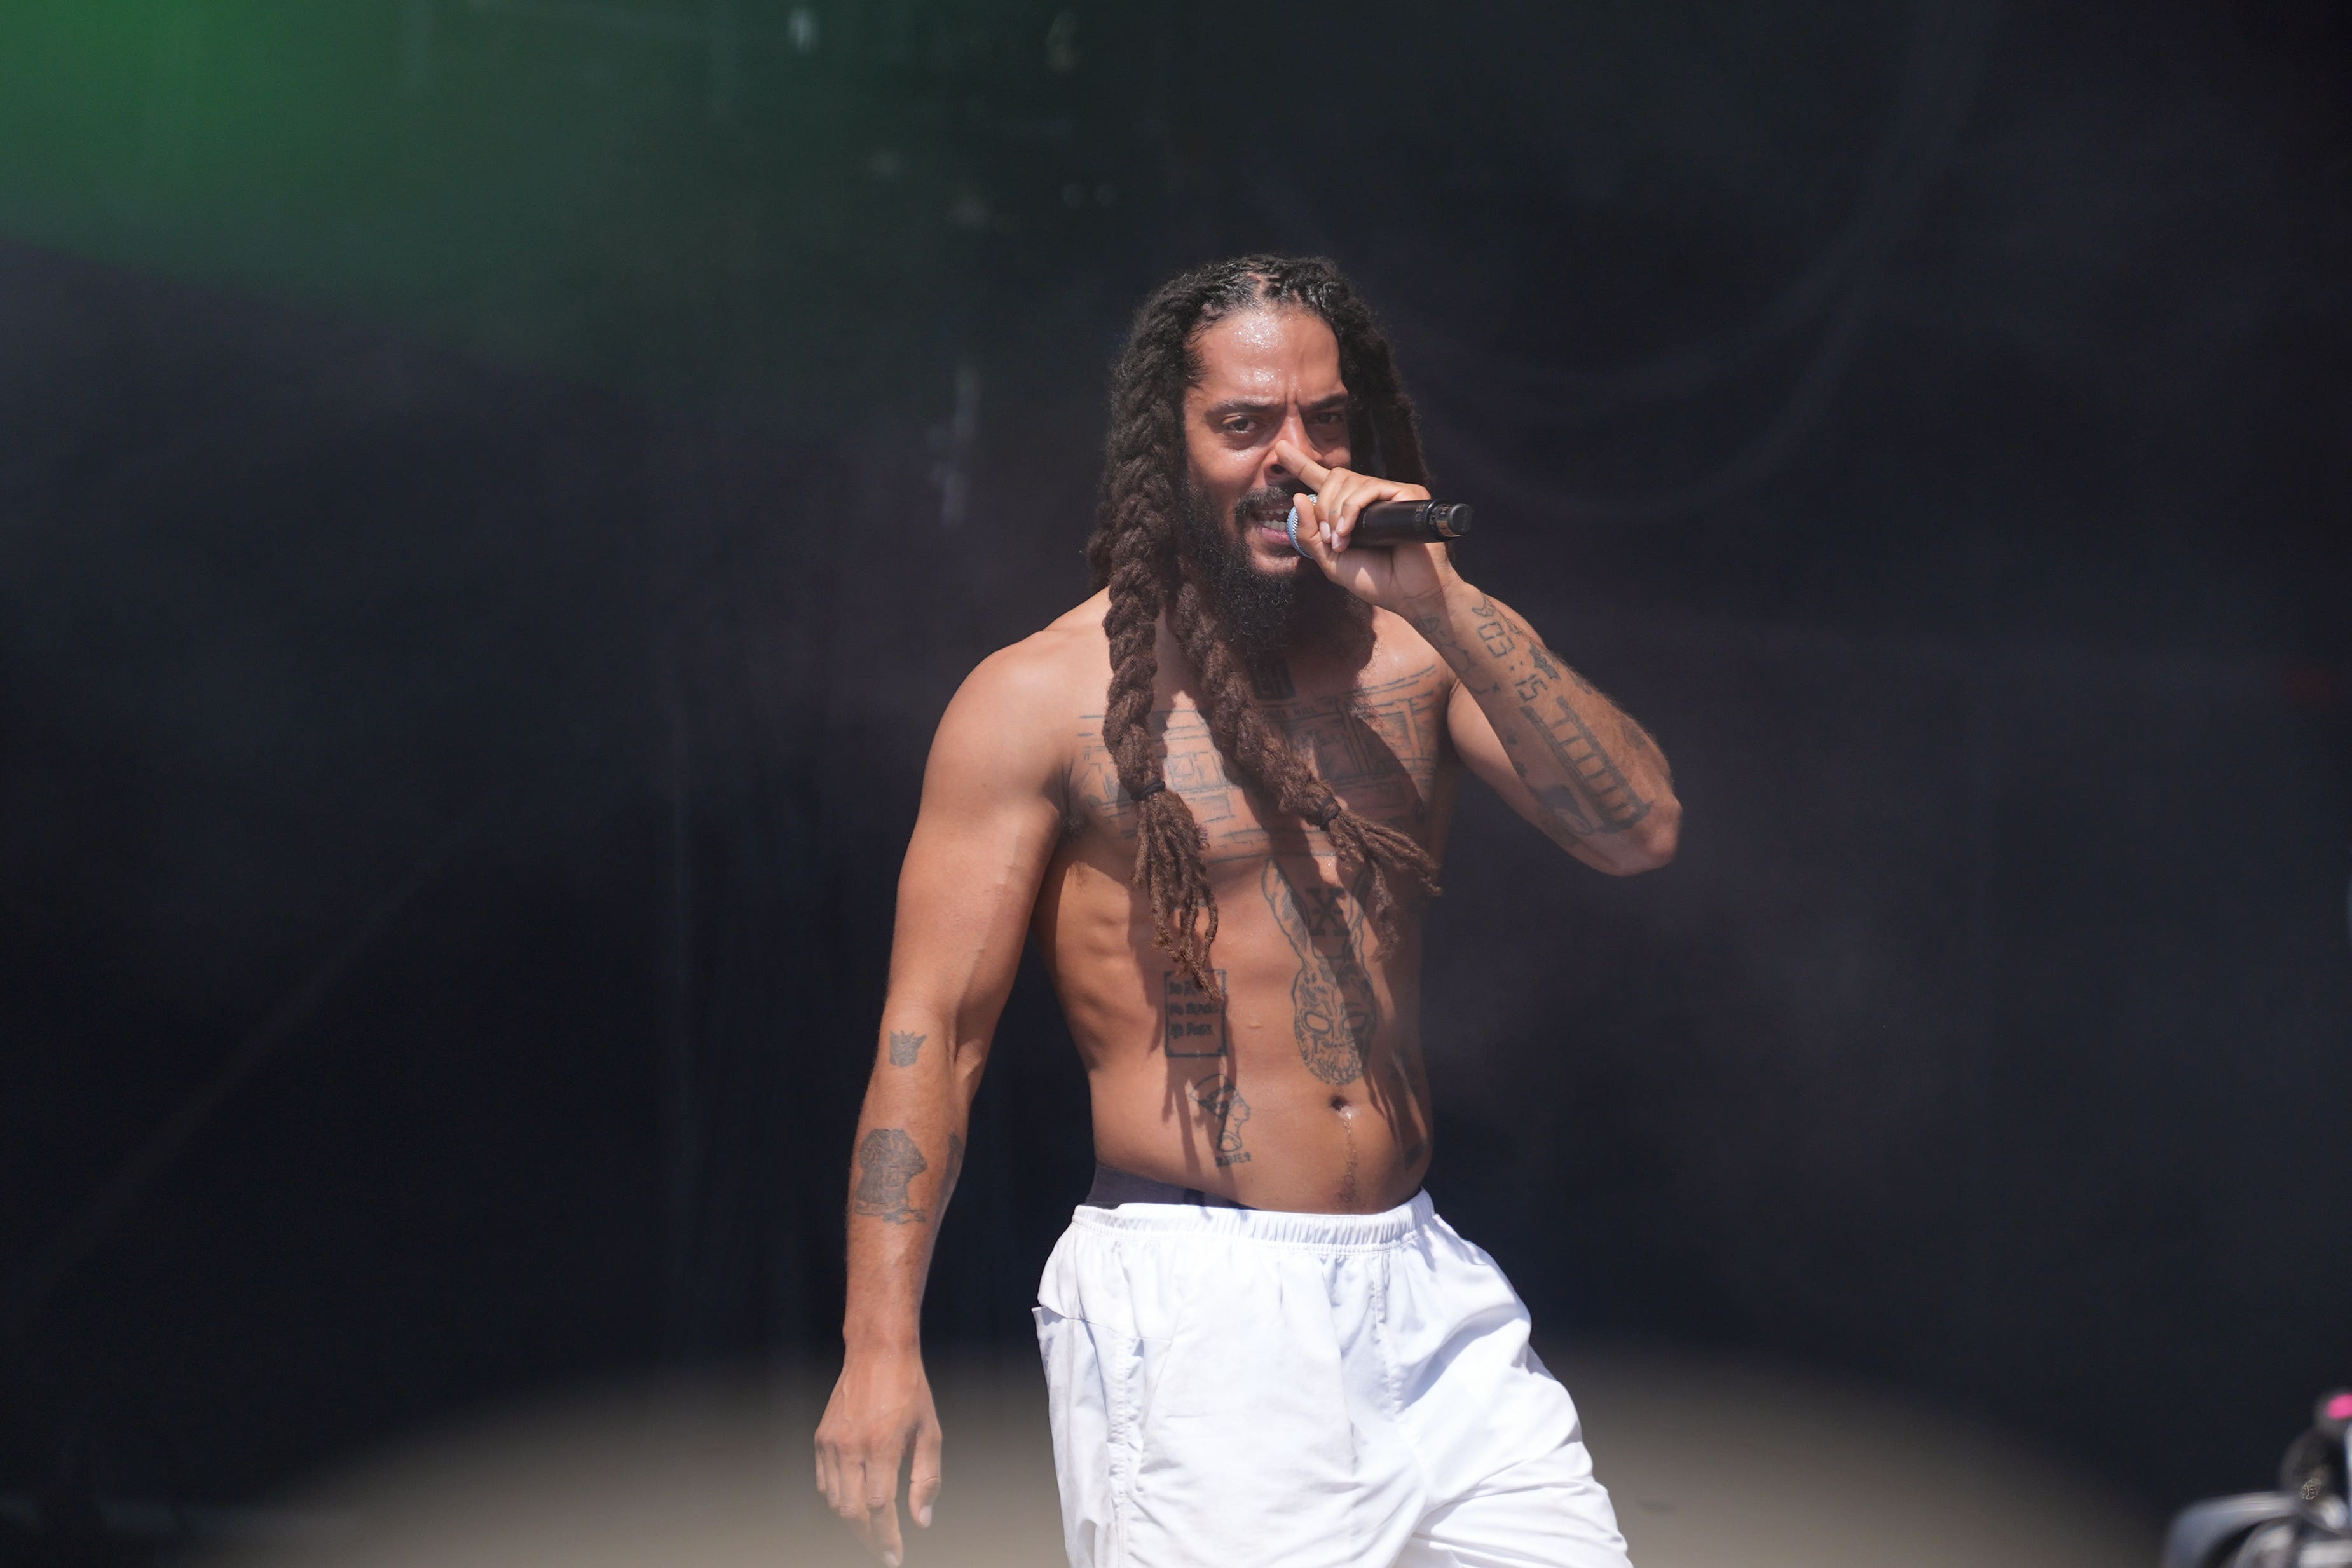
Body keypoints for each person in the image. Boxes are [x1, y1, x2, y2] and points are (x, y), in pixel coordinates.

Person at [814, 254, 1679, 1568]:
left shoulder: (1417, 652)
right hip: (1201, 1307)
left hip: (1422, 1288)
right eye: (1244, 426)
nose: (1295, 457)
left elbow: (1637, 830)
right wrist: (877, 1351)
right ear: (1165, 454)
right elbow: (932, 1034)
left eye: (1324, 422)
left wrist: (1445, 602)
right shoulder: (1037, 700)